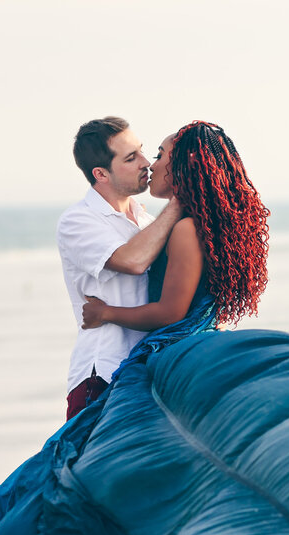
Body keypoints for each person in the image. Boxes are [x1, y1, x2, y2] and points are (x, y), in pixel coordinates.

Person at [80, 120, 269, 373]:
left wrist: (104, 313)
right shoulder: (196, 225)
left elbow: (170, 313)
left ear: (183, 167)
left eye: (160, 155)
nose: (151, 164)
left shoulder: (186, 230)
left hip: (179, 348)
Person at [58, 117, 182, 421]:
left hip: (146, 370)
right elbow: (133, 261)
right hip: (102, 373)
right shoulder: (78, 220)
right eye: (131, 158)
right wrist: (179, 203)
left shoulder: (147, 221)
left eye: (142, 151)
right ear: (100, 173)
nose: (146, 163)